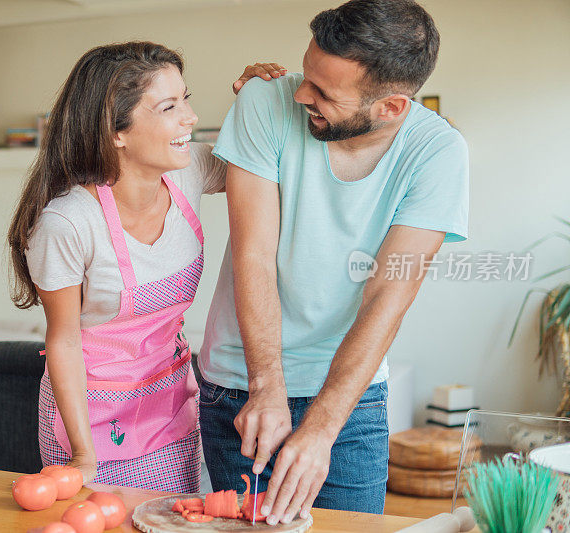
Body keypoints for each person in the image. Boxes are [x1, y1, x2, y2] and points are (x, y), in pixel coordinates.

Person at [199, 0, 469, 523]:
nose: (301, 94)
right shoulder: (263, 101)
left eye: (324, 92)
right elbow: (254, 255)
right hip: (240, 381)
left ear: (391, 107)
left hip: (348, 395)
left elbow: (389, 293)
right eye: (307, 73)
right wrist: (266, 386)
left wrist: (323, 427)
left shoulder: (439, 153)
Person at [7, 41, 286, 493]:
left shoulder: (187, 171)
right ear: (115, 131)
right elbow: (64, 342)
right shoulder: (67, 222)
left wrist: (255, 99)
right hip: (89, 416)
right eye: (169, 106)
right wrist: (82, 455)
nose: (190, 117)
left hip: (168, 403)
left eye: (186, 99)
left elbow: (264, 155)